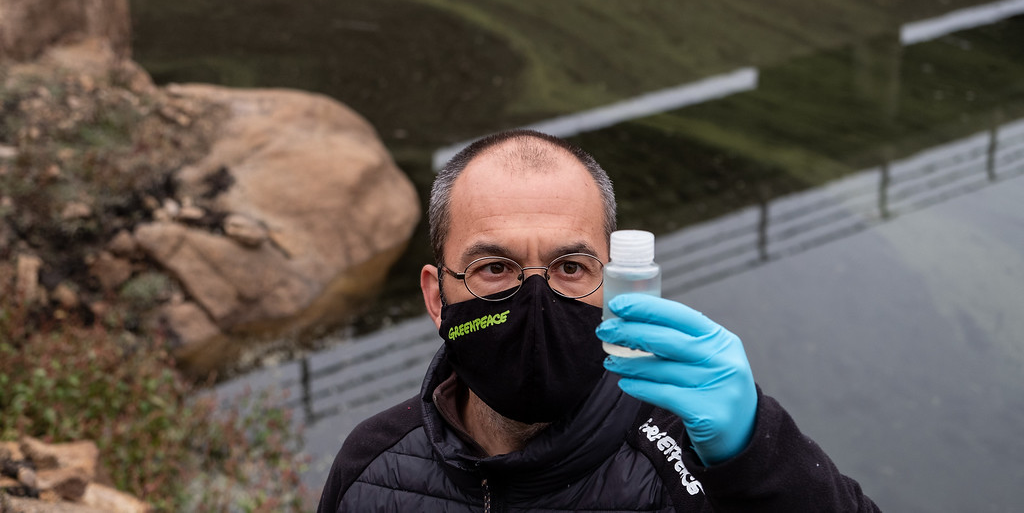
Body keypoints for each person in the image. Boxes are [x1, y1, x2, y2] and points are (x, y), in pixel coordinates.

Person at [317, 129, 881, 512]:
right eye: (494, 267)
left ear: (616, 285)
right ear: (438, 296)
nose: (533, 302)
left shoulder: (697, 464)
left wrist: (761, 451)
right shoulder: (371, 467)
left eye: (570, 266)